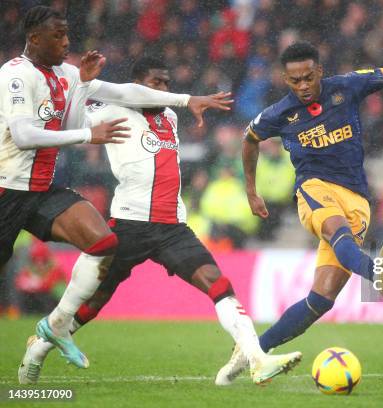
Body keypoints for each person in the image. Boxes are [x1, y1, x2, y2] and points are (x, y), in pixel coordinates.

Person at [18, 57, 301, 386]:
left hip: (172, 228)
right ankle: (38, 348)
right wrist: (78, 97)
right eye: (156, 83)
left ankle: (256, 359)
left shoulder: (168, 116)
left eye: (167, 83)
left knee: (219, 284)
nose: (164, 90)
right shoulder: (113, 111)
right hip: (128, 225)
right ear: (137, 85)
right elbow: (73, 119)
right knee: (93, 304)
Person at [216, 41, 383, 385]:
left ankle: (252, 353)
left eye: (308, 78)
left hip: (357, 199)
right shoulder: (279, 113)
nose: (303, 86)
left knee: (320, 301)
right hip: (314, 189)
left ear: (320, 72)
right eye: (295, 81)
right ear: (286, 79)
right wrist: (251, 191)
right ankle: (378, 273)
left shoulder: (347, 86)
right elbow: (249, 139)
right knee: (337, 233)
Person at [1, 6, 231, 370]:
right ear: (34, 38)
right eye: (58, 36)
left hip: (41, 189)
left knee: (103, 241)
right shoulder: (15, 74)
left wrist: (86, 85)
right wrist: (88, 134)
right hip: (6, 190)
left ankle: (59, 326)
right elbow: (24, 135)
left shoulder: (67, 74)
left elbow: (124, 94)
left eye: (67, 34)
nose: (67, 42)